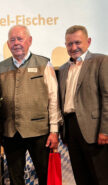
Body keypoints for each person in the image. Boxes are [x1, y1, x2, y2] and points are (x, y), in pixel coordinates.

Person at [0, 25, 62, 185]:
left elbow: (53, 98)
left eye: (20, 39)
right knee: (15, 178)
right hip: (11, 132)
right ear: (8, 43)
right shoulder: (1, 67)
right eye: (12, 40)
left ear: (29, 41)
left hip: (40, 132)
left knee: (45, 176)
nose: (16, 43)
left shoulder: (44, 63)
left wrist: (54, 130)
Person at [58, 25, 108, 185]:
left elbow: (106, 97)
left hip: (94, 130)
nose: (74, 47)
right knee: (81, 177)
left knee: (101, 178)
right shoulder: (64, 68)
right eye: (69, 44)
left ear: (89, 41)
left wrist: (105, 130)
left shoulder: (101, 61)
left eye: (77, 42)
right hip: (71, 129)